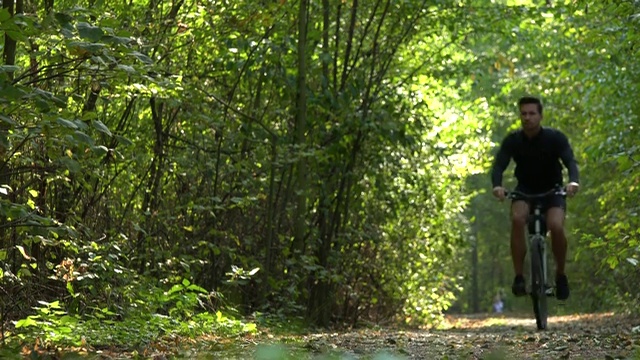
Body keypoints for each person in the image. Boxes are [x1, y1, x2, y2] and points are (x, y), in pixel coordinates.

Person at [490, 96, 579, 301]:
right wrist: (497, 187)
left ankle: (560, 275)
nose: (527, 118)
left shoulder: (555, 138)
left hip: (552, 190)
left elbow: (570, 161)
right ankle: (520, 276)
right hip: (525, 191)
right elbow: (499, 166)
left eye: (532, 113)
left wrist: (573, 182)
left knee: (555, 225)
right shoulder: (513, 140)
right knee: (517, 219)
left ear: (540, 115)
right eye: (524, 114)